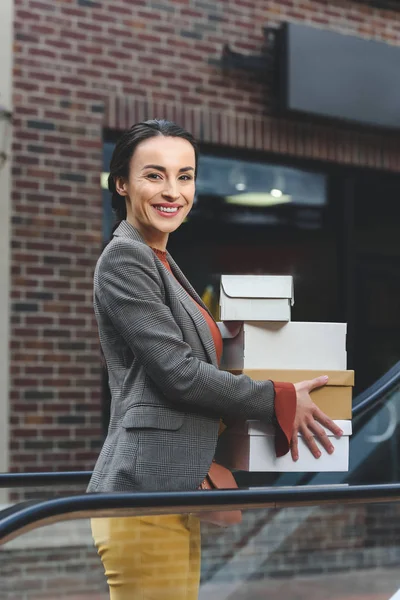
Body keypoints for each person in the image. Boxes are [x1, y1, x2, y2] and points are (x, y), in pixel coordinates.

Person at [88, 119, 343, 600]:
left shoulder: (160, 259)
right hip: (143, 495)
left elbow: (176, 356)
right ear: (121, 183)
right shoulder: (126, 258)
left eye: (185, 177)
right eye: (155, 175)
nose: (173, 191)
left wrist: (230, 337)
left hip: (174, 490)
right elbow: (179, 375)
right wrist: (277, 397)